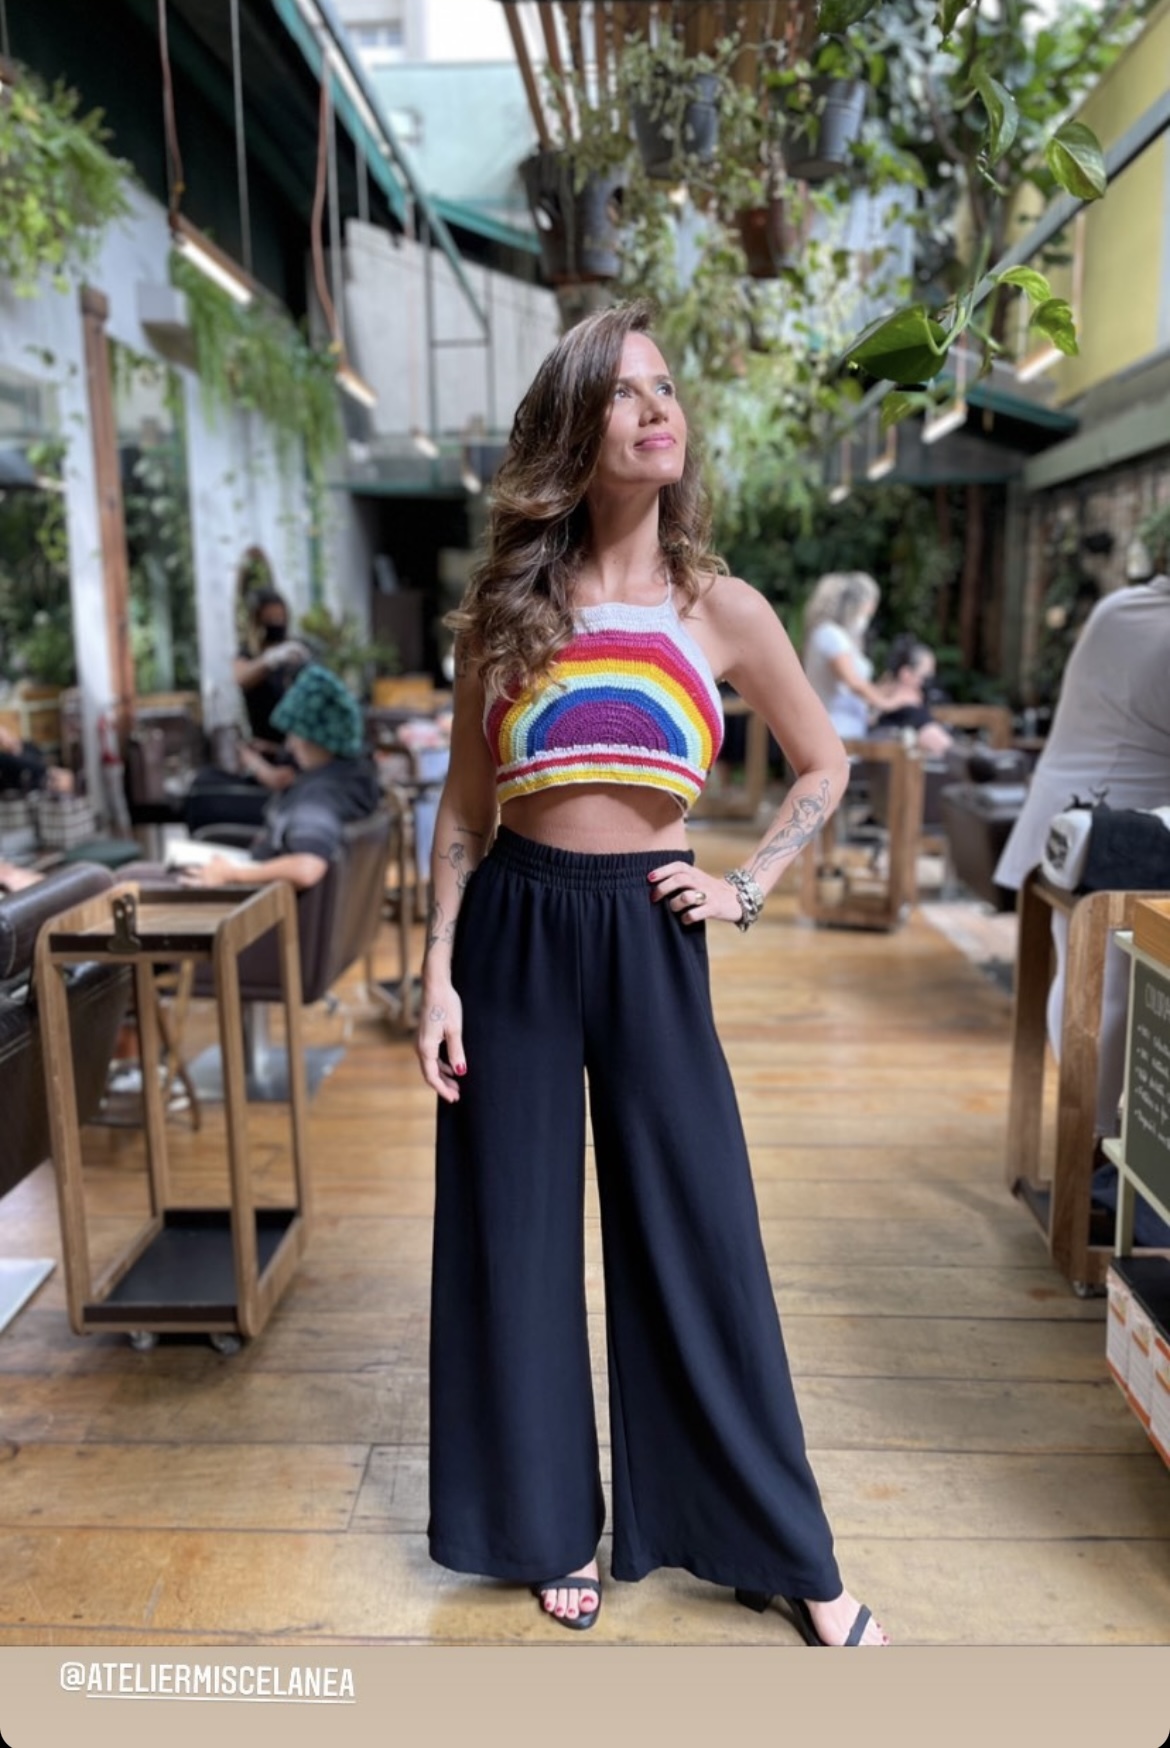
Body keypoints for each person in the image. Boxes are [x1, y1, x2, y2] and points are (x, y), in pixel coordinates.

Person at [414, 301, 888, 1647]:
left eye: (664, 387)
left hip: (651, 928)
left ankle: (776, 1549)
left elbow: (823, 762)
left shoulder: (721, 610)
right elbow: (463, 812)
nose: (656, 409)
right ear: (573, 429)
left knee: (701, 1227)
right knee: (511, 1231)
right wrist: (437, 972)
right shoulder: (505, 612)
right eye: (623, 393)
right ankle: (543, 1524)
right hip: (512, 924)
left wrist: (747, 885)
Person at [994, 565, 1170, 1238]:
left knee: (1087, 983)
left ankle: (1096, 1155)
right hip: (1116, 837)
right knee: (1108, 992)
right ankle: (1098, 1160)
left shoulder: (1124, 605)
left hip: (1073, 820)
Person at [176, 663, 381, 891]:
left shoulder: (318, 797)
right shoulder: (355, 779)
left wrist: (232, 874)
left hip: (261, 904)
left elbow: (307, 867)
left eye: (296, 733)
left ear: (317, 737)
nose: (291, 745)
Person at [801, 572, 913, 741]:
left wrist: (887, 690)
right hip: (836, 730)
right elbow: (853, 682)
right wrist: (888, 703)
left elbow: (846, 690)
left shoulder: (838, 636)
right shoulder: (830, 634)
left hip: (849, 730)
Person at [232, 587, 312, 772]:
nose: (276, 623)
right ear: (257, 620)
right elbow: (241, 678)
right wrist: (270, 659)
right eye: (270, 618)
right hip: (264, 747)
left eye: (280, 617)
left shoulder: (295, 649)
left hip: (296, 749)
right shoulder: (248, 654)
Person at [873, 634, 954, 759]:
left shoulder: (882, 702)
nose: (927, 683)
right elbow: (943, 745)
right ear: (906, 675)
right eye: (926, 676)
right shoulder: (910, 711)